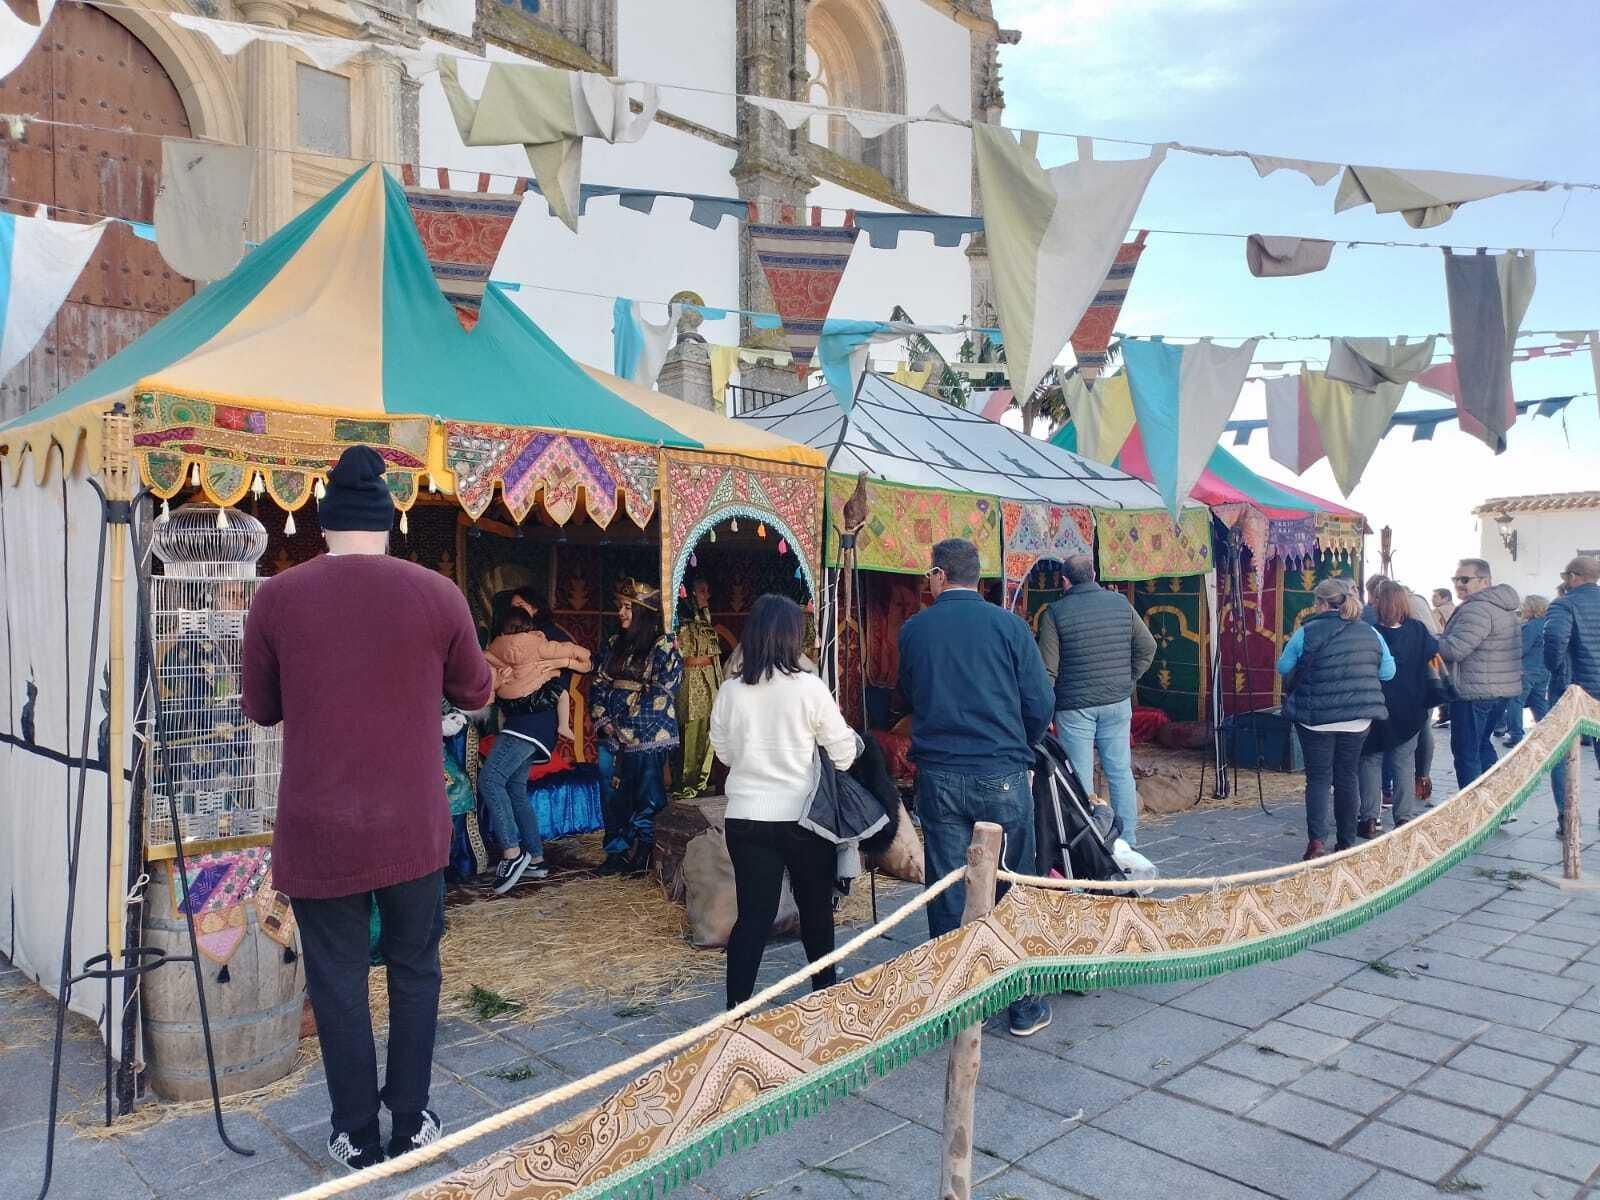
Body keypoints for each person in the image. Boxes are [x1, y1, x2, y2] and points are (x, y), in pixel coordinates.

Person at [241, 446, 493, 1171]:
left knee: (337, 979)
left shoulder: (278, 599)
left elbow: (260, 708)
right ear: (388, 523)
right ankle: (410, 1120)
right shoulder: (437, 595)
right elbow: (476, 694)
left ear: (324, 527)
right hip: (412, 820)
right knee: (416, 969)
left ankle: (355, 1131)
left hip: (318, 826)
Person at [898, 539, 1055, 1037]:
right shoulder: (1009, 625)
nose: (928, 582)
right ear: (977, 578)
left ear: (940, 576)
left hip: (941, 773)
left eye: (929, 575)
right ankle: (1023, 1002)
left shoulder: (915, 630)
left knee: (946, 886)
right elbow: (1040, 701)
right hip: (1002, 771)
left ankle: (959, 1001)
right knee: (1014, 881)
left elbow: (910, 693)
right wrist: (1021, 747)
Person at [709, 594, 858, 1008]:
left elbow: (722, 754)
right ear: (793, 637)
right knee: (815, 911)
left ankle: (735, 1011)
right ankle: (823, 996)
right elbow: (843, 750)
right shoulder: (809, 687)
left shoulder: (731, 692)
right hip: (803, 819)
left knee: (753, 918)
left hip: (746, 817)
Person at [1035, 554, 1157, 847]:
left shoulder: (1055, 612)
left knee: (1080, 779)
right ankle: (1126, 840)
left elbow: (1047, 670)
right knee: (1120, 773)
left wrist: (1041, 708)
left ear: (1064, 580)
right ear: (1094, 575)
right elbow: (1148, 646)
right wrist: (1128, 680)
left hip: (1075, 706)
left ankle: (1090, 844)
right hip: (1117, 702)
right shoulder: (1120, 604)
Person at [1278, 578, 1394, 858]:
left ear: (1321, 603)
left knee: (1318, 779)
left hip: (1315, 717)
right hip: (1357, 719)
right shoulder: (1371, 633)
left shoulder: (1307, 632)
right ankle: (1346, 841)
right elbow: (1388, 673)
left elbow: (1284, 667)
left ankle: (1317, 842)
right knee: (1347, 776)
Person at [479, 607, 591, 893]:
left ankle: (512, 854)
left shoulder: (493, 651)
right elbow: (582, 658)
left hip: (521, 724)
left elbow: (488, 690)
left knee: (490, 780)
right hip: (544, 723)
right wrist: (568, 660)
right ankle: (536, 858)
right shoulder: (541, 644)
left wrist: (501, 680)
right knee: (515, 787)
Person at [590, 579, 683, 876]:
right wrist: (604, 721)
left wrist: (626, 728)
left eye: (627, 608)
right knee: (612, 795)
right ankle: (616, 851)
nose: (621, 613)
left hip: (647, 735)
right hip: (611, 735)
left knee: (647, 796)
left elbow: (662, 691)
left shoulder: (663, 645)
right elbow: (600, 682)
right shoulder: (615, 644)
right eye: (620, 607)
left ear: (643, 611)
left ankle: (644, 852)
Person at [1357, 582, 1438, 836]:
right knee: (1404, 763)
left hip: (1376, 705)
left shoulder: (1369, 632)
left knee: (1370, 760)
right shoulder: (1418, 630)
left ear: (1378, 603)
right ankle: (1403, 819)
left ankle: (1369, 819)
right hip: (1410, 707)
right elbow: (1434, 654)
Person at [1436, 559, 1521, 790]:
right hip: (1498, 689)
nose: (1459, 584)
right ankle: (1495, 804)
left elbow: (1455, 649)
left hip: (1474, 691)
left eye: (1465, 579)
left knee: (1467, 753)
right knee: (1482, 745)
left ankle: (1473, 814)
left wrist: (1429, 641)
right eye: (1456, 579)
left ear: (1484, 581)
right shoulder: (1501, 606)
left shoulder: (1477, 608)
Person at [1546, 556, 1600, 836]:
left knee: (1562, 754)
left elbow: (1554, 640)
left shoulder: (1564, 604)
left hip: (1573, 689)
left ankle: (1568, 819)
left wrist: (1553, 669)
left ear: (1574, 576)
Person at [674, 578, 727, 799]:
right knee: (689, 730)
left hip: (709, 682)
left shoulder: (706, 622)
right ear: (692, 595)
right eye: (702, 591)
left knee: (708, 732)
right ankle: (686, 782)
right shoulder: (682, 623)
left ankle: (700, 782)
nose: (707, 595)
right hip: (690, 681)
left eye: (707, 591)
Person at [1502, 595, 1551, 747]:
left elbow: (1521, 649)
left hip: (1526, 670)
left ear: (1532, 608)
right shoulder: (1548, 624)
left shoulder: (1531, 626)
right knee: (1539, 703)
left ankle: (1516, 735)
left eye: (1524, 605)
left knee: (1515, 702)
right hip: (1543, 670)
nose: (1522, 608)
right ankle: (1547, 734)